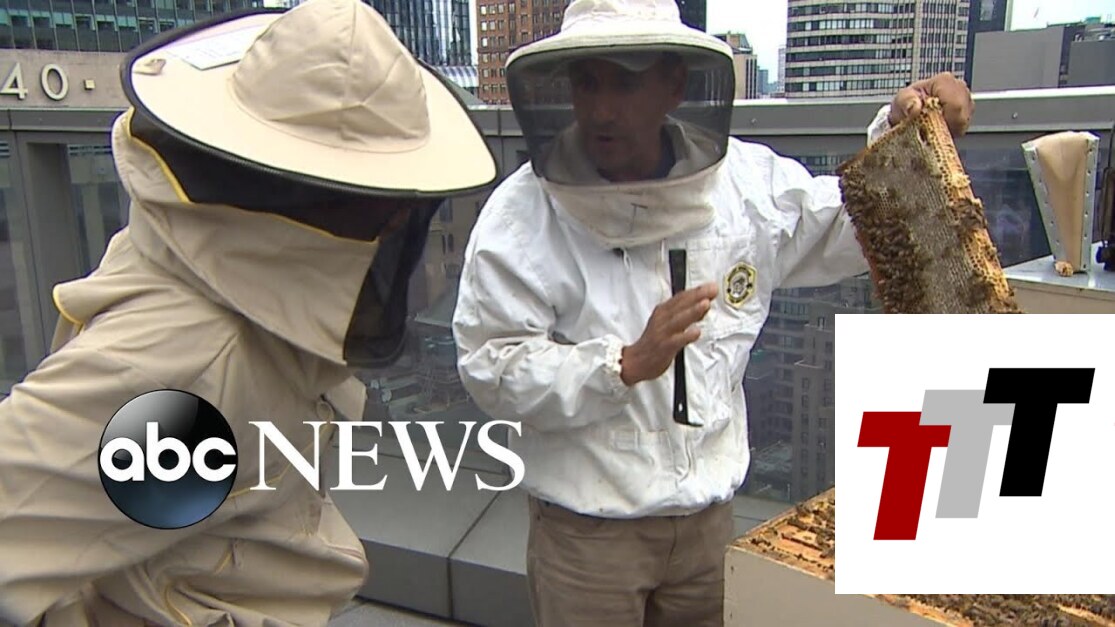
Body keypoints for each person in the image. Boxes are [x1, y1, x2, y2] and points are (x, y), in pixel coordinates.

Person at [451, 0, 974, 625]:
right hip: (588, 536)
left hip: (708, 525)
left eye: (625, 82)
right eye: (587, 83)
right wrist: (623, 364)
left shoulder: (747, 185)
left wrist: (909, 130)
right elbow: (492, 364)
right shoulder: (519, 216)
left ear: (674, 84)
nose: (601, 109)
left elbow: (851, 224)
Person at [0, 0, 496, 624]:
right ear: (307, 189)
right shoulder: (196, 362)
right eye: (378, 191)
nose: (398, 215)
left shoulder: (191, 243)